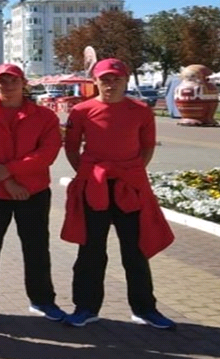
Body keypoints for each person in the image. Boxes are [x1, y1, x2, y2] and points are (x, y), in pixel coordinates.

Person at [61, 58, 176, 330]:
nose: (110, 84)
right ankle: (86, 308)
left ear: (125, 81)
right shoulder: (82, 111)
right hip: (95, 186)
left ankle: (144, 309)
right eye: (104, 79)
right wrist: (89, 174)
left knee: (135, 251)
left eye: (115, 79)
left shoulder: (140, 110)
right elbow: (71, 147)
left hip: (128, 187)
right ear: (96, 82)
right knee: (90, 250)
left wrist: (130, 172)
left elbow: (146, 148)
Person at [0, 63, 66, 324]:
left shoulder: (45, 117)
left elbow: (47, 153)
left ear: (23, 83)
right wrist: (9, 181)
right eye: (2, 81)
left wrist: (9, 172)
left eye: (13, 81)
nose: (8, 86)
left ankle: (42, 300)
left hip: (33, 192)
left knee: (36, 248)